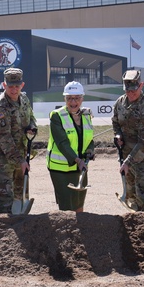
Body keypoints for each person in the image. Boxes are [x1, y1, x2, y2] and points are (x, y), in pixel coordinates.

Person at [0, 67, 37, 213]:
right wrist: (20, 161)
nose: (14, 90)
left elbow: (31, 118)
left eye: (17, 86)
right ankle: (3, 234)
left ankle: (19, 233)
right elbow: (4, 139)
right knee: (5, 203)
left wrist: (32, 127)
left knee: (19, 199)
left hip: (19, 158)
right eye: (10, 86)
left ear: (22, 85)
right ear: (4, 85)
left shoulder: (24, 100)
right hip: (1, 162)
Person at [112, 69, 144, 211]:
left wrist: (127, 162)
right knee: (131, 196)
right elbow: (115, 122)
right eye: (127, 90)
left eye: (134, 90)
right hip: (127, 154)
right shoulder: (120, 103)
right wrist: (118, 134)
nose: (130, 94)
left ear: (141, 86)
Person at [47, 81, 95, 212]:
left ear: (82, 98)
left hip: (80, 167)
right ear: (64, 99)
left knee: (79, 202)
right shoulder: (57, 116)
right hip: (60, 169)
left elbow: (89, 138)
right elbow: (62, 143)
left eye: (77, 98)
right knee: (67, 206)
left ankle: (80, 230)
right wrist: (77, 160)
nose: (73, 102)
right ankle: (67, 232)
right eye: (69, 98)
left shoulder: (86, 115)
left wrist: (90, 151)